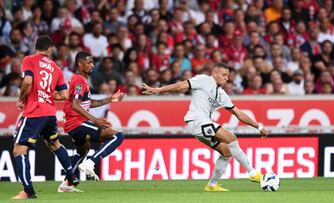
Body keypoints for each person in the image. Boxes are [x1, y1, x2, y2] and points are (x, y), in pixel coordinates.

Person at [142, 62, 269, 192]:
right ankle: (253, 173)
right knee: (231, 138)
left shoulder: (222, 94)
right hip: (196, 121)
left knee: (227, 152)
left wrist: (258, 127)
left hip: (202, 125)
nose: (226, 78)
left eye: (227, 76)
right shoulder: (203, 80)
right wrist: (158, 90)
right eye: (223, 75)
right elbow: (181, 85)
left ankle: (212, 185)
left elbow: (239, 114)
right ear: (214, 73)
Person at [12, 35, 79, 199]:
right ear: (49, 50)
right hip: (50, 113)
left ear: (36, 47)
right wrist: (47, 95)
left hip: (34, 112)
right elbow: (64, 94)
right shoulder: (56, 68)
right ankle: (71, 177)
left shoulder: (30, 59)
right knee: (55, 144)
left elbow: (27, 81)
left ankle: (28, 192)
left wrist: (21, 98)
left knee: (19, 150)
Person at [58, 51, 125, 192]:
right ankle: (91, 162)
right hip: (77, 123)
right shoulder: (78, 81)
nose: (92, 65)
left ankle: (66, 184)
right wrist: (96, 121)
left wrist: (110, 99)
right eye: (88, 62)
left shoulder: (81, 81)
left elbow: (89, 103)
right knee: (117, 136)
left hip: (73, 125)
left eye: (92, 62)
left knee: (82, 151)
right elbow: (76, 105)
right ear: (79, 64)